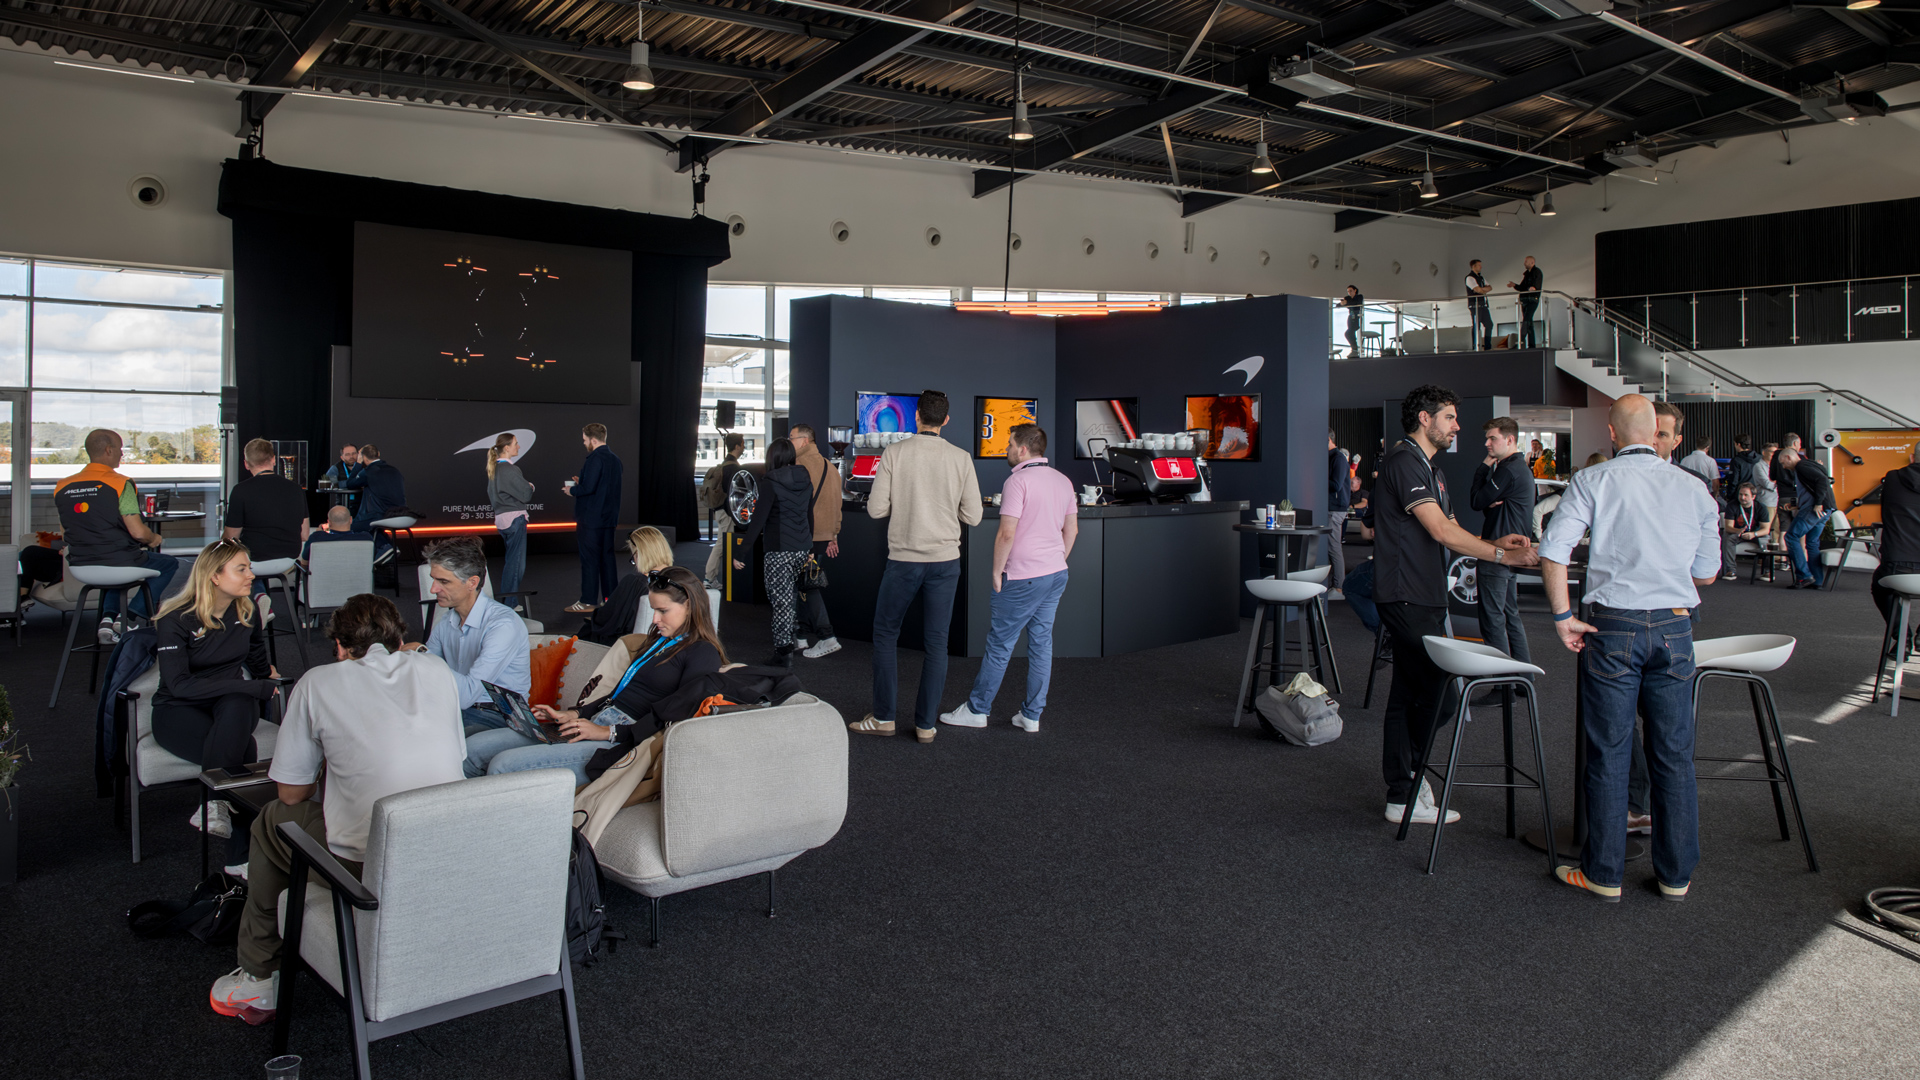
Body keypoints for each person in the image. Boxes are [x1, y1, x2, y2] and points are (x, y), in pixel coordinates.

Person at [209, 593, 466, 1026]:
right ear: (399, 638)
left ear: (341, 647)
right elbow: (455, 753)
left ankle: (258, 974)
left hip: (368, 863)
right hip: (444, 846)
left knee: (271, 821)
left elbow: (291, 793)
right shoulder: (437, 670)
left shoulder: (318, 682)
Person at [1538, 394, 1719, 902]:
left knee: (1610, 751)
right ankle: (1676, 876)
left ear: (1613, 434)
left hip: (1611, 627)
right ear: (1657, 433)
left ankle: (1603, 874)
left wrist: (1561, 617)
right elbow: (1706, 572)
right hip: (1675, 630)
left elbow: (1554, 550)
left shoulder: (1593, 480)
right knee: (1674, 755)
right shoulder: (1694, 488)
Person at [1372, 385, 1540, 825]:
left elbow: (1450, 526)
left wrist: (1491, 542)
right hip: (1405, 592)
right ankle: (1406, 781)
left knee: (1409, 693)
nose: (1457, 426)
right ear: (1425, 419)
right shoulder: (1405, 460)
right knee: (1441, 696)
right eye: (1449, 417)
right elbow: (1442, 532)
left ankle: (1403, 786)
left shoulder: (1428, 466)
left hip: (1421, 592)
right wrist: (1502, 555)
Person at [465, 566, 723, 785]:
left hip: (622, 743)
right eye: (653, 610)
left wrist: (608, 733)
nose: (654, 619)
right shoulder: (659, 641)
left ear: (689, 606)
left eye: (663, 611)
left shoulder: (702, 653)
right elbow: (617, 696)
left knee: (502, 765)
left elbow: (677, 721)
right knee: (473, 750)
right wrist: (576, 714)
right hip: (596, 725)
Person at [854, 390, 983, 743]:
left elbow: (876, 509)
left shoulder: (894, 452)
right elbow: (974, 515)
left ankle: (884, 718)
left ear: (916, 417)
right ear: (946, 420)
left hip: (904, 561)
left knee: (884, 636)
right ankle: (926, 725)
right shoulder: (960, 457)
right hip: (945, 562)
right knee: (937, 644)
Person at [939, 423, 1076, 733]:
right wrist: (1056, 560)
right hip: (1055, 573)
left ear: (1023, 450)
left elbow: (1006, 533)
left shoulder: (1018, 482)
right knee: (1041, 644)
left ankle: (977, 710)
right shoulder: (1063, 480)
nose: (1007, 449)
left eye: (1010, 444)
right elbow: (1072, 530)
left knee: (1000, 645)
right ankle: (1031, 716)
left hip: (1022, 577)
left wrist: (996, 571)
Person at [153, 540, 279, 874]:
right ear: (214, 576)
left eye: (249, 567)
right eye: (242, 569)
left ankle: (212, 803)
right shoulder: (175, 619)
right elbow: (179, 685)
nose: (251, 575)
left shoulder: (247, 610)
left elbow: (257, 657)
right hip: (178, 709)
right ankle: (241, 859)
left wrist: (266, 677)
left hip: (231, 705)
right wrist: (251, 685)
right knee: (244, 748)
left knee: (238, 701)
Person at [54, 428, 180, 643]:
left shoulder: (62, 486)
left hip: (80, 566)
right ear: (109, 450)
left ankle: (107, 618)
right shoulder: (120, 483)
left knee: (117, 566)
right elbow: (138, 532)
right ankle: (130, 617)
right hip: (118, 562)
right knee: (169, 564)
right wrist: (153, 539)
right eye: (121, 449)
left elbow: (66, 533)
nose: (122, 454)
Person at [403, 537, 529, 733]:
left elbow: (467, 695)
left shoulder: (503, 625)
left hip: (503, 716)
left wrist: (420, 652)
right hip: (461, 708)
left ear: (472, 582)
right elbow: (428, 675)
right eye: (434, 579)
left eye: (443, 581)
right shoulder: (447, 621)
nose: (433, 589)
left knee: (422, 738)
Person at [734, 437, 816, 667]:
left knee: (780, 601)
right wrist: (809, 547)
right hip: (801, 547)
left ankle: (783, 653)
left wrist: (741, 553)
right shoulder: (805, 478)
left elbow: (758, 522)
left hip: (779, 550)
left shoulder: (769, 482)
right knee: (790, 599)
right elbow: (809, 515)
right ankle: (791, 641)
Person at [1470, 417, 1536, 666]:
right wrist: (1489, 501)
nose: (1487, 443)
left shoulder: (1508, 469)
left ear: (1509, 440)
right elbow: (1487, 506)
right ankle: (1520, 680)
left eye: (1492, 438)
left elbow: (1476, 501)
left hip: (1499, 554)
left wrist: (1483, 468)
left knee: (1493, 621)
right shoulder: (1517, 469)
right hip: (1507, 553)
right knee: (1509, 617)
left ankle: (1502, 686)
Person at [223, 438, 311, 622]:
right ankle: (260, 599)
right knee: (249, 560)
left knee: (231, 560)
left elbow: (231, 537)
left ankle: (251, 604)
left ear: (246, 464)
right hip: (288, 558)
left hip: (254, 559)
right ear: (273, 459)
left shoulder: (241, 490)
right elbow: (304, 534)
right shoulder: (295, 489)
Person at [790, 424, 844, 658]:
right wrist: (834, 533)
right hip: (822, 537)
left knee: (806, 587)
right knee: (804, 585)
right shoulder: (831, 467)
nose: (788, 442)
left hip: (803, 537)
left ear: (804, 441)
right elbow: (837, 504)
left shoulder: (799, 466)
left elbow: (795, 506)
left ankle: (826, 636)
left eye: (791, 438)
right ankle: (800, 636)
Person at [578, 526, 676, 646]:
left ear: (640, 554)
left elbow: (605, 620)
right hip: (667, 645)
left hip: (627, 645)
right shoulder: (682, 579)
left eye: (633, 556)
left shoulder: (635, 584)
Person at [566, 423, 623, 613]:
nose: (584, 444)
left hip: (591, 519)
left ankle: (588, 601)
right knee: (607, 559)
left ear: (593, 440)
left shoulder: (594, 459)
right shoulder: (615, 460)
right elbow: (603, 487)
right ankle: (611, 599)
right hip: (609, 519)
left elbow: (588, 489)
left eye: (584, 440)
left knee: (590, 560)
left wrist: (572, 489)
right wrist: (581, 483)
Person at [1872, 443, 1920, 626]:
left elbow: (1885, 512)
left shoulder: (1893, 478)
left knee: (1880, 587)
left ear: (1912, 458)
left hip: (1896, 567)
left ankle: (1901, 637)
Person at [1777, 446, 1837, 589]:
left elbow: (1823, 480)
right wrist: (1799, 505)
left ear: (1788, 457)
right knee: (1812, 543)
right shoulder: (1810, 464)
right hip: (1826, 509)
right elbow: (1823, 480)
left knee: (1791, 536)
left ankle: (1804, 576)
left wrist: (1817, 503)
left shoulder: (1802, 467)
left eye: (1783, 463)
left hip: (1815, 509)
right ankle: (1817, 581)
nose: (1784, 467)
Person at [485, 432, 534, 604]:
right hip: (515, 519)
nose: (518, 446)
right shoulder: (510, 469)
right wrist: (530, 486)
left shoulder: (495, 468)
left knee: (511, 562)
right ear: (506, 447)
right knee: (516, 565)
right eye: (516, 443)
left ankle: (508, 601)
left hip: (503, 519)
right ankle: (509, 605)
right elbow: (526, 493)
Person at [338, 443, 407, 563]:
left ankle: (384, 548)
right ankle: (388, 547)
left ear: (363, 457)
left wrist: (358, 464)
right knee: (372, 526)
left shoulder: (369, 471)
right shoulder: (394, 470)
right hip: (403, 514)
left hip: (381, 514)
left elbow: (351, 483)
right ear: (378, 454)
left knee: (353, 526)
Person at [700, 433, 746, 588]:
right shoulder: (733, 467)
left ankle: (711, 578)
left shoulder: (724, 465)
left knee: (722, 543)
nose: (744, 446)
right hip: (727, 512)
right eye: (743, 443)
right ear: (738, 445)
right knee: (721, 544)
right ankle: (709, 578)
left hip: (720, 510)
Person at [1720, 483, 1770, 581]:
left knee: (1766, 540)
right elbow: (1728, 527)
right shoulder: (1732, 505)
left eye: (1746, 495)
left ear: (1753, 496)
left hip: (1756, 534)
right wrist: (1739, 531)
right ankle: (1730, 570)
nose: (1742, 498)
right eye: (1740, 494)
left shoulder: (1761, 507)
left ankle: (1767, 572)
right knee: (1727, 536)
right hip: (1738, 533)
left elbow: (1765, 529)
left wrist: (1753, 534)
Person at [299, 505, 374, 567]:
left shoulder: (316, 538)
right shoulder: (366, 538)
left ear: (329, 522)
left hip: (323, 584)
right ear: (350, 520)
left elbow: (304, 563)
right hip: (358, 584)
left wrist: (320, 533)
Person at [1327, 431, 1351, 597]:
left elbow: (1336, 484)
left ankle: (1339, 588)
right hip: (1330, 507)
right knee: (1330, 547)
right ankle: (1335, 585)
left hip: (1335, 508)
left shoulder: (1338, 458)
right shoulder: (1330, 457)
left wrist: (1317, 477)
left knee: (1334, 547)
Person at [1505, 256, 1543, 348]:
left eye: (1526, 261)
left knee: (1526, 320)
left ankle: (1520, 341)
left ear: (1532, 262)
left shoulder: (1537, 272)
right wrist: (1514, 285)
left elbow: (1536, 286)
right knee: (1529, 322)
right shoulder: (1527, 274)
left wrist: (1533, 289)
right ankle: (1532, 345)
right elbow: (1522, 287)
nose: (1524, 263)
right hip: (1525, 300)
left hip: (1532, 300)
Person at [321, 443, 361, 514]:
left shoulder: (363, 467)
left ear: (358, 454)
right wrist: (353, 483)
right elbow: (328, 483)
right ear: (342, 457)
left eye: (354, 453)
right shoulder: (335, 468)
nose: (351, 456)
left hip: (361, 505)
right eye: (347, 454)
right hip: (342, 504)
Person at [1464, 259, 1493, 351]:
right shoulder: (1469, 278)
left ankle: (1487, 346)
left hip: (1482, 305)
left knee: (1489, 324)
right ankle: (1475, 345)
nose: (1481, 267)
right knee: (1476, 326)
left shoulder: (1481, 278)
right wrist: (1482, 290)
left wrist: (1481, 290)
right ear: (1474, 267)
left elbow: (1490, 287)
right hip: (1474, 305)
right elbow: (1478, 290)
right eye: (1479, 265)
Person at [1337, 285, 1364, 357]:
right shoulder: (1347, 298)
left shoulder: (1359, 297)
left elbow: (1356, 304)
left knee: (1349, 333)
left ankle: (1355, 349)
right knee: (1350, 332)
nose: (1349, 293)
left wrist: (1346, 303)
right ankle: (1354, 349)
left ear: (1355, 290)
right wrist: (1342, 304)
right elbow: (1339, 305)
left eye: (1351, 291)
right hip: (1351, 317)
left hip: (1357, 317)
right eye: (1348, 291)